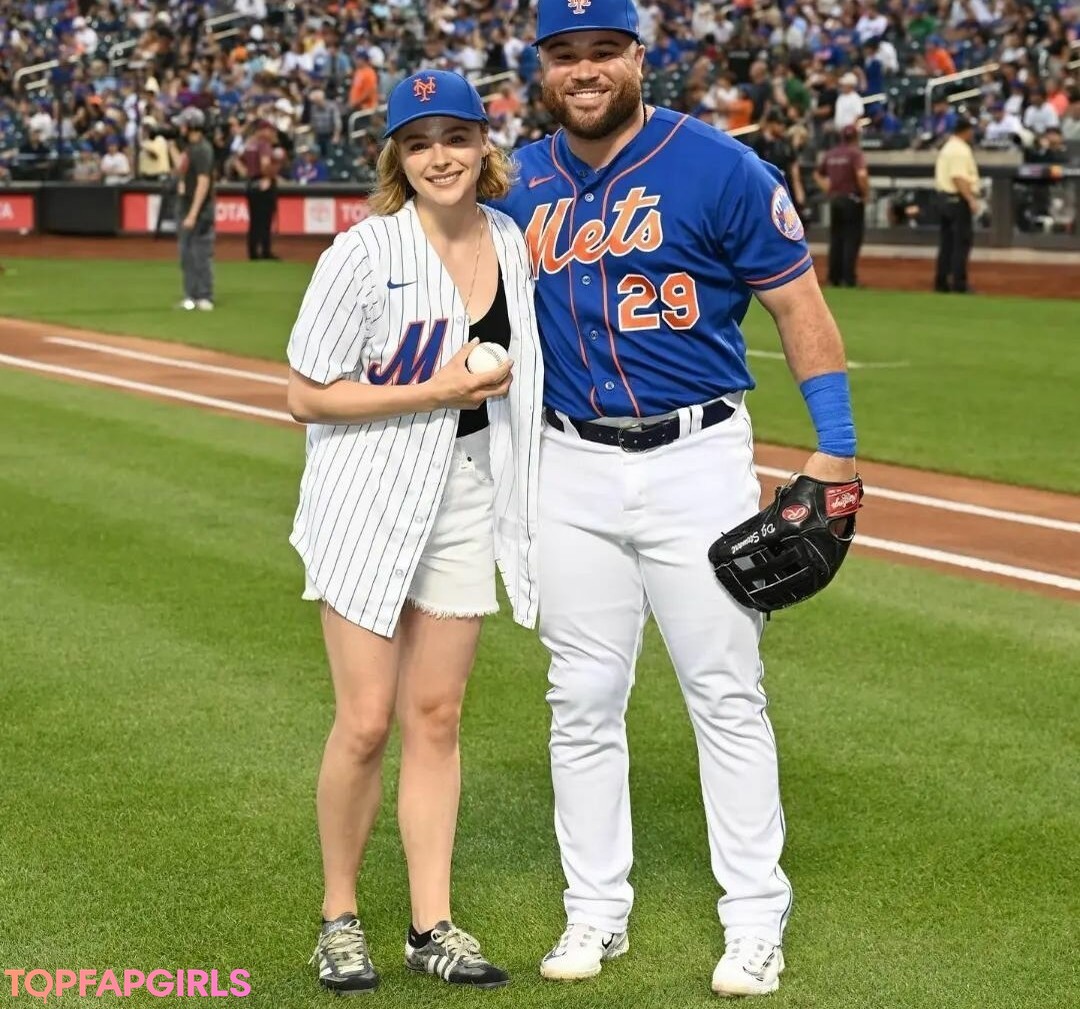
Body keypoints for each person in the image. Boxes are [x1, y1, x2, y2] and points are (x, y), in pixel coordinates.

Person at [492, 0, 859, 998]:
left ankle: (755, 919)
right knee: (580, 697)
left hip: (696, 456)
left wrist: (836, 448)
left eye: (603, 50)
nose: (584, 69)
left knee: (725, 691)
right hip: (566, 463)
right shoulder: (515, 183)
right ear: (542, 67)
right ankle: (594, 909)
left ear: (639, 57)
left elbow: (798, 305)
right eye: (565, 54)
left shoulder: (720, 167)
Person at [286, 69, 544, 997]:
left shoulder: (510, 242)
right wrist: (435, 388)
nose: (441, 156)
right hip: (366, 489)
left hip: (466, 490)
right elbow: (304, 394)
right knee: (364, 721)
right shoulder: (363, 252)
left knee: (436, 716)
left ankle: (431, 924)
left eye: (456, 136)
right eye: (420, 141)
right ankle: (338, 917)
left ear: (484, 144)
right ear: (397, 156)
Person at [814, 124, 870, 287]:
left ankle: (834, 277)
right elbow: (862, 175)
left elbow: (817, 174)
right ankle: (849, 278)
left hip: (836, 199)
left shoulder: (831, 153)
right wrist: (866, 194)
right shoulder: (855, 154)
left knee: (836, 239)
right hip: (852, 200)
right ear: (856, 137)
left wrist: (828, 188)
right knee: (851, 239)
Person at [172, 107, 215, 311]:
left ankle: (205, 296)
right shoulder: (190, 148)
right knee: (186, 255)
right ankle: (190, 296)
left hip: (199, 209)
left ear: (192, 126)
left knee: (201, 254)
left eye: (183, 124)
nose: (180, 128)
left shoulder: (203, 150)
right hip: (185, 205)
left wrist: (193, 213)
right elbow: (180, 170)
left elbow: (203, 183)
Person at [933, 117, 979, 293]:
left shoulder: (948, 147)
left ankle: (941, 281)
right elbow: (958, 177)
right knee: (961, 243)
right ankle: (959, 283)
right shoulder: (960, 150)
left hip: (944, 199)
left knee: (947, 243)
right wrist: (970, 199)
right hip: (957, 200)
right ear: (966, 131)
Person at [236, 119, 282, 260]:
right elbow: (265, 164)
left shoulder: (250, 144)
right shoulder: (264, 144)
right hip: (263, 183)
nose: (271, 133)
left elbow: (237, 160)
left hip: (251, 184)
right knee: (265, 220)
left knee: (254, 221)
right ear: (262, 131)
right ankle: (265, 251)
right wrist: (269, 177)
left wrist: (246, 173)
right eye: (269, 130)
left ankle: (253, 253)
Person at [749, 109, 806, 213]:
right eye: (779, 123)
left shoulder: (786, 143)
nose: (782, 126)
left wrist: (798, 190)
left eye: (783, 123)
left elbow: (794, 167)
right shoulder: (758, 143)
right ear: (770, 123)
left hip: (786, 188)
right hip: (767, 190)